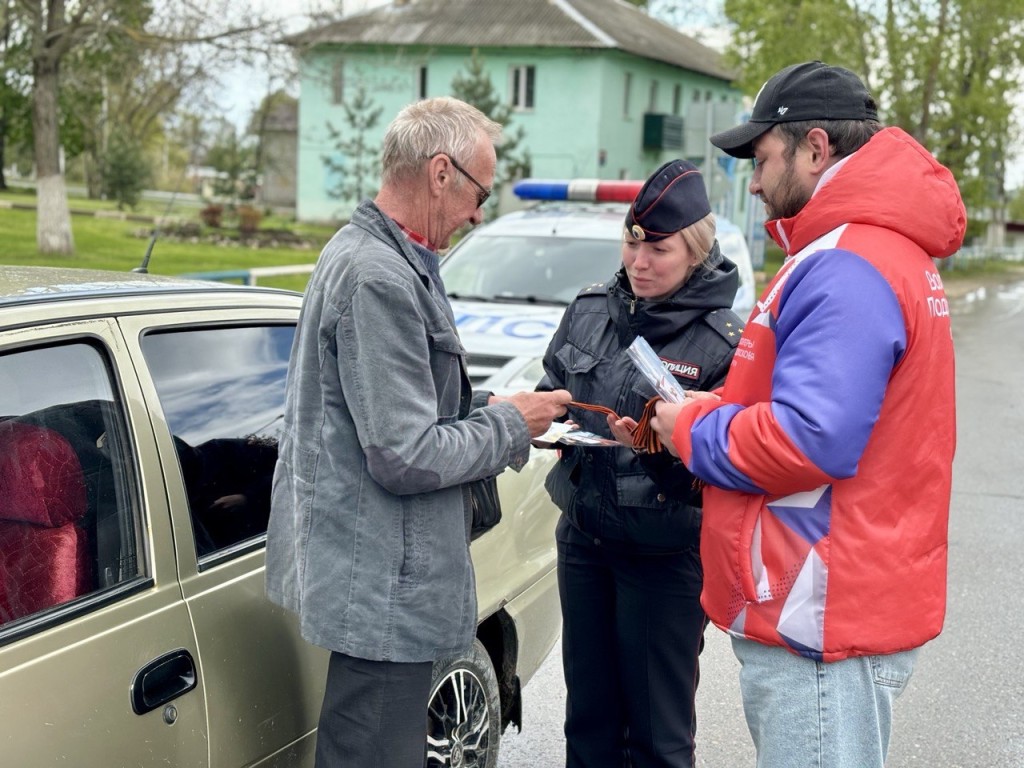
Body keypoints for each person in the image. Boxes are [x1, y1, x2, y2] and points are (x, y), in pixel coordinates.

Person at [648, 61, 966, 767]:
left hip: (823, 613)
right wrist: (721, 407)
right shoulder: (866, 252)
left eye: (762, 159)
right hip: (831, 596)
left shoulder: (850, 264)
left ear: (815, 147)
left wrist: (692, 429)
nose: (754, 182)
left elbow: (810, 437)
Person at [264, 96, 571, 768]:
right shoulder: (377, 276)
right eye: (478, 193)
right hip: (382, 590)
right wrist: (509, 425)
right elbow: (404, 453)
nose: (478, 213)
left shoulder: (381, 257)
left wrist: (491, 404)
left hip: (383, 582)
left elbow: (403, 408)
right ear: (440, 173)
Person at [538, 159, 745, 767]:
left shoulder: (723, 341)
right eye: (632, 243)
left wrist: (660, 452)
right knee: (589, 725)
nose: (639, 261)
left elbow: (722, 475)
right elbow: (555, 384)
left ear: (696, 250)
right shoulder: (589, 309)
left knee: (657, 737)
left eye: (658, 248)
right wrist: (546, 417)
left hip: (664, 557)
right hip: (584, 543)